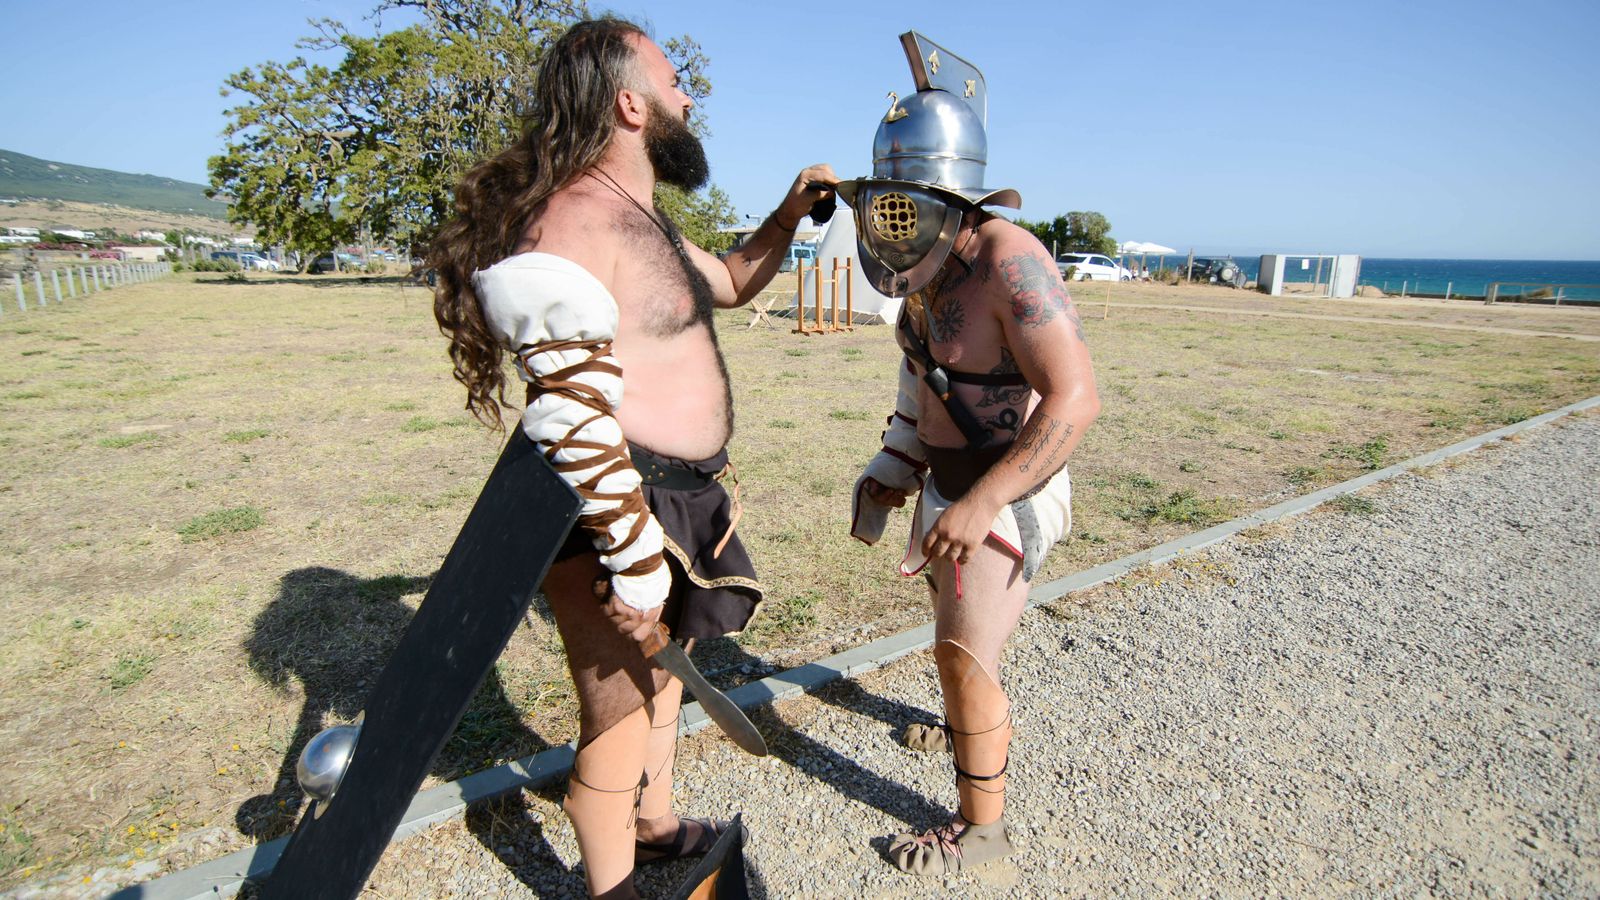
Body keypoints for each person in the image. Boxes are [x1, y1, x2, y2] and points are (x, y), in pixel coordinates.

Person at [429, 17, 836, 899]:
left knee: (663, 687)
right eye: (671, 79)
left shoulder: (640, 216)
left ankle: (652, 830)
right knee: (616, 716)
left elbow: (732, 281)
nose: (686, 97)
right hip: (616, 507)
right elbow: (568, 411)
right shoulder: (572, 219)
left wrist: (787, 214)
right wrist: (631, 552)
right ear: (629, 104)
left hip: (678, 500)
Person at [841, 33, 1099, 875]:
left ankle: (983, 832)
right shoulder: (926, 271)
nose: (894, 221)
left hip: (1004, 493)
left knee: (962, 656)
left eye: (907, 205)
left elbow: (1074, 398)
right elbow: (924, 376)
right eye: (886, 205)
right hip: (946, 487)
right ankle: (964, 722)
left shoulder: (1010, 263)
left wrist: (985, 502)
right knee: (959, 641)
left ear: (949, 198)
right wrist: (896, 462)